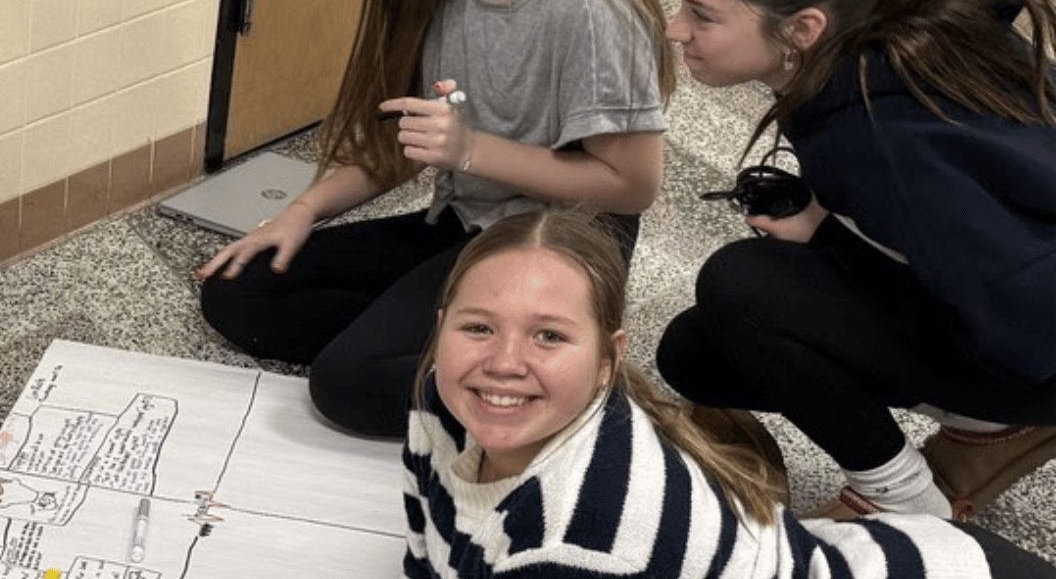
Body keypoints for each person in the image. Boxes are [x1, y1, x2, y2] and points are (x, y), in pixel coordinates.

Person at [197, 0, 673, 438]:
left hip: (565, 238)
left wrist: (472, 150)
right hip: (468, 223)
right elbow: (407, 143)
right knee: (237, 292)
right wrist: (302, 211)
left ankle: (572, 379)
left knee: (348, 385)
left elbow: (632, 188)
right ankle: (472, 346)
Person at [659, 0, 1056, 521]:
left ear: (804, 28)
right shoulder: (885, 38)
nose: (678, 30)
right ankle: (977, 423)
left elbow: (1032, 324)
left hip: (1038, 347)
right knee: (694, 349)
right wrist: (826, 228)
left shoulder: (881, 136)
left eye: (702, 14)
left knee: (740, 282)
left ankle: (907, 502)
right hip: (1017, 301)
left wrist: (831, 240)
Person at [404, 208, 1056, 578]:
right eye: (478, 326)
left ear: (609, 359)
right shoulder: (443, 392)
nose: (503, 363)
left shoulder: (581, 534)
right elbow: (428, 541)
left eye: (548, 335)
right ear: (441, 330)